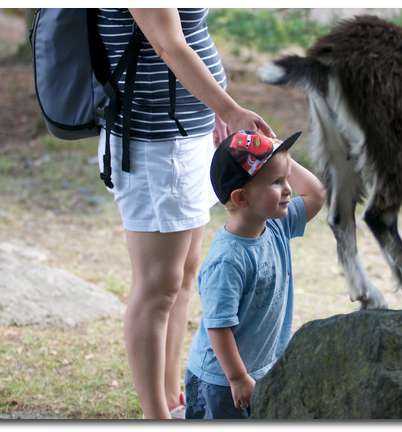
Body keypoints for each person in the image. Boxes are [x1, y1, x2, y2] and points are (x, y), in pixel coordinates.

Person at [96, 8, 275, 419]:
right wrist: (229, 108)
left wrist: (209, 103)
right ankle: (154, 415)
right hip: (152, 142)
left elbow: (190, 32)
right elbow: (166, 44)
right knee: (157, 286)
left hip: (187, 133)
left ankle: (171, 398)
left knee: (183, 276)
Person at [184, 130, 326, 419]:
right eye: (276, 182)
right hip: (222, 381)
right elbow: (219, 327)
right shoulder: (228, 260)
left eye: (286, 179)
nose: (288, 189)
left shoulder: (276, 225)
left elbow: (316, 193)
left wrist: (278, 154)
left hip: (259, 369)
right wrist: (237, 378)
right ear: (241, 197)